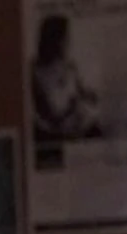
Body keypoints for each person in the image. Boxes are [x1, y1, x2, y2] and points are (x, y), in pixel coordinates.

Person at [30, 14, 100, 142]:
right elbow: (50, 115)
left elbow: (82, 91)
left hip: (81, 127)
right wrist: (72, 106)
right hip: (54, 135)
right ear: (54, 40)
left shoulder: (70, 66)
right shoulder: (35, 72)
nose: (69, 43)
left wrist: (90, 96)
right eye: (65, 38)